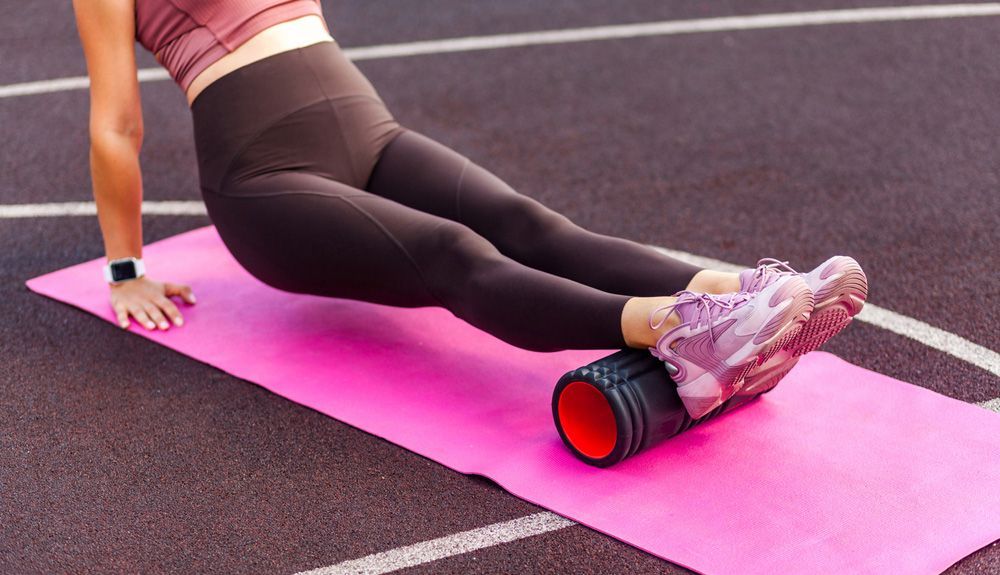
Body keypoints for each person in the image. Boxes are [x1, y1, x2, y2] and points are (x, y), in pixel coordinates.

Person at [71, 0, 868, 420]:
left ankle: (741, 296)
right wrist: (126, 269)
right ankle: (678, 331)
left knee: (529, 223)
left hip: (367, 131)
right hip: (265, 179)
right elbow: (116, 123)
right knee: (457, 253)